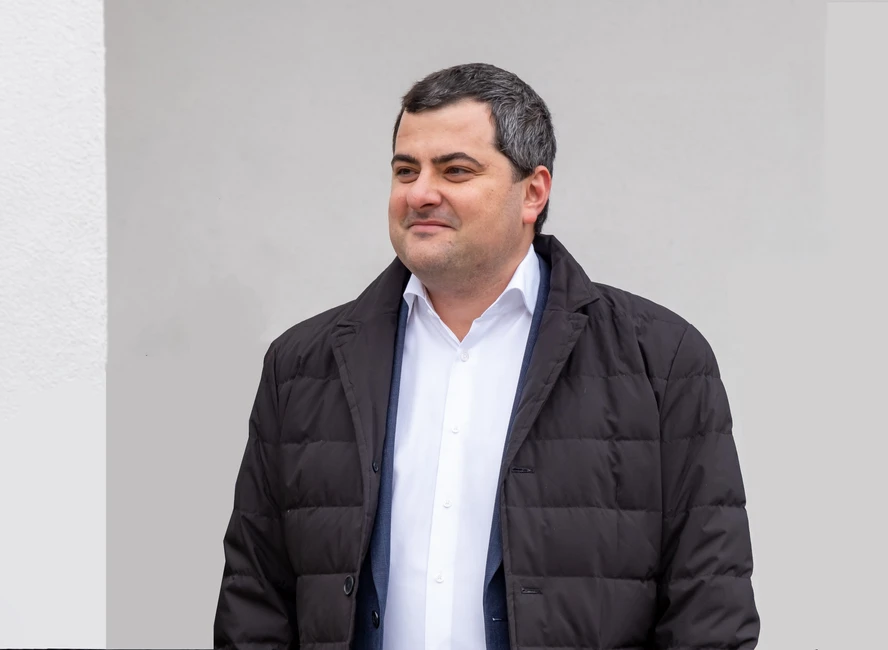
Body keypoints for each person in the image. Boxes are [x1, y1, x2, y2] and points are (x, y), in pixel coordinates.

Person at [213, 62, 760, 650]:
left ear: (533, 192)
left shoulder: (662, 361)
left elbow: (710, 611)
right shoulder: (302, 366)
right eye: (405, 170)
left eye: (455, 170)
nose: (420, 193)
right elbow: (255, 603)